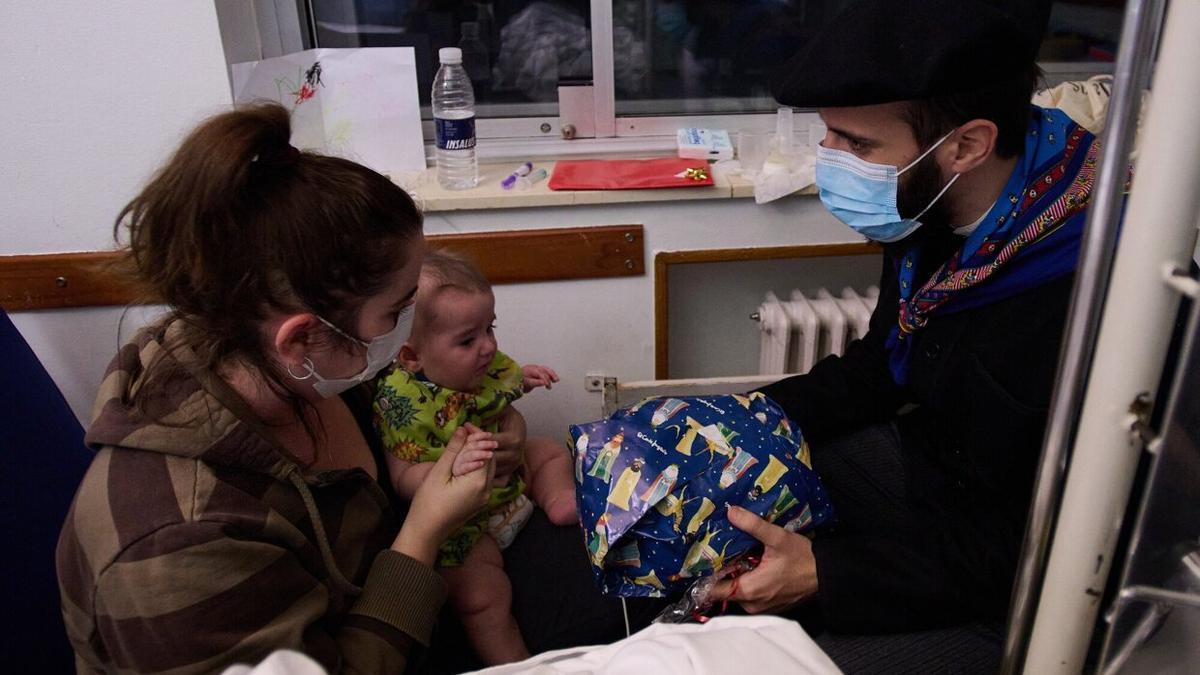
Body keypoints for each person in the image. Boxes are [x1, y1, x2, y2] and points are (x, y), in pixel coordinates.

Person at [54, 102, 644, 675]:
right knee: (641, 620)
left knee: (654, 547)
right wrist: (423, 530)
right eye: (397, 312)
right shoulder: (175, 550)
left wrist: (506, 433)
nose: (410, 335)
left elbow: (449, 411)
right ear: (302, 338)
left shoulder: (281, 358)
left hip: (427, 577)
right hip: (396, 626)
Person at [709, 0, 1104, 641]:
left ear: (968, 146)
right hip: (930, 495)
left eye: (857, 143)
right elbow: (883, 365)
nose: (830, 158)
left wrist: (826, 573)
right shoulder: (933, 208)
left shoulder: (1098, 297)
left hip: (1017, 590)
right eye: (830, 134)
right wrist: (742, 418)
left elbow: (1066, 540)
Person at [373, 249, 577, 664]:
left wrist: (526, 378)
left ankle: (561, 502)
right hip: (463, 526)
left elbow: (505, 382)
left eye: (491, 328)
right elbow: (402, 476)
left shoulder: (481, 362)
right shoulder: (400, 402)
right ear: (411, 356)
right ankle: (516, 666)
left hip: (511, 485)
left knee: (551, 451)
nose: (487, 347)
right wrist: (452, 469)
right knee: (481, 598)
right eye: (468, 339)